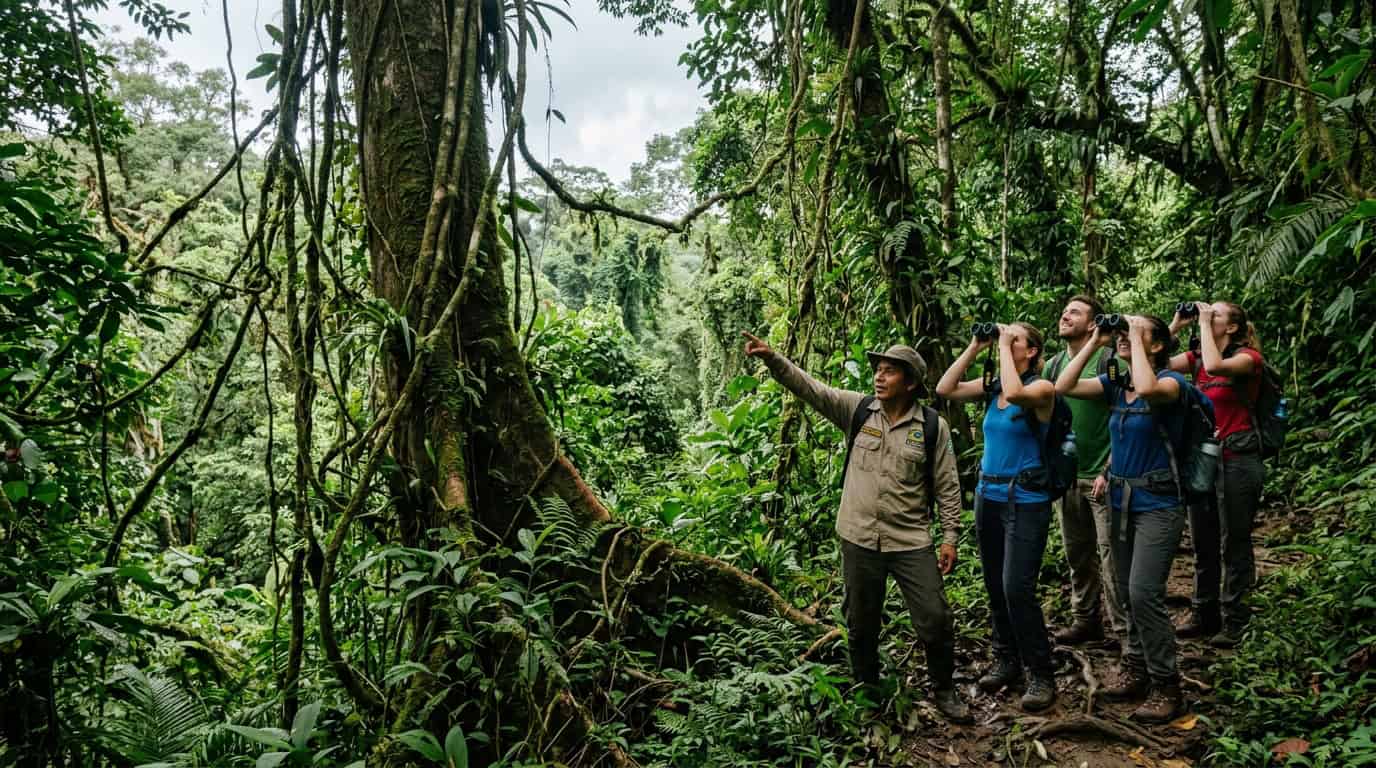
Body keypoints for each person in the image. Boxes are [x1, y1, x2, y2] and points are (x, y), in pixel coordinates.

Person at [741, 331, 972, 723]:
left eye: (890, 371)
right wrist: (773, 359)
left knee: (934, 618)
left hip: (910, 540)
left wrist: (950, 537)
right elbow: (811, 389)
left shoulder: (933, 427)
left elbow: (948, 486)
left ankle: (944, 689)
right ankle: (867, 691)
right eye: (878, 370)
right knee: (861, 623)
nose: (879, 377)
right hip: (858, 537)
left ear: (911, 383)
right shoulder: (858, 410)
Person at [1054, 316, 1188, 722]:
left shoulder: (1171, 384)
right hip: (1121, 501)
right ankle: (1135, 667)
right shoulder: (1116, 384)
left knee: (1144, 592)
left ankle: (1167, 685)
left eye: (1135, 333)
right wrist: (1096, 341)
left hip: (1160, 503)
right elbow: (1064, 386)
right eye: (1124, 334)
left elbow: (1147, 388)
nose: (1125, 338)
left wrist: (1135, 335)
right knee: (1126, 591)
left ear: (1158, 345)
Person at [936, 322, 1057, 712]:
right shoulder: (993, 388)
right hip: (988, 497)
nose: (1007, 342)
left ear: (1032, 351)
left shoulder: (1041, 389)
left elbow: (1017, 392)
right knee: (994, 584)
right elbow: (945, 389)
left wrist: (1003, 346)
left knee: (1016, 586)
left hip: (1026, 500)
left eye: (1016, 339)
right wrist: (975, 346)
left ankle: (1040, 672)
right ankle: (1006, 659)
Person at [1169, 302, 1265, 647]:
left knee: (1233, 541)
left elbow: (1215, 366)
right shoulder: (1196, 358)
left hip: (1238, 457)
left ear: (1233, 328)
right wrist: (1176, 326)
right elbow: (1153, 363)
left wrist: (1203, 324)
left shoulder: (1248, 359)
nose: (1208, 318)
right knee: (1202, 539)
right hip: (1204, 458)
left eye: (1216, 315)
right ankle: (1203, 611)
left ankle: (1235, 619)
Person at [1044, 295, 1127, 646]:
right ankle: (1086, 620)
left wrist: (1110, 468)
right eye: (1064, 311)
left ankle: (1125, 633)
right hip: (1067, 477)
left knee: (1112, 560)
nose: (1065, 315)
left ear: (1093, 323)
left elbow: (1126, 415)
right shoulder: (1053, 365)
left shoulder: (1110, 360)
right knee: (1077, 556)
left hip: (1103, 476)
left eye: (1074, 312)